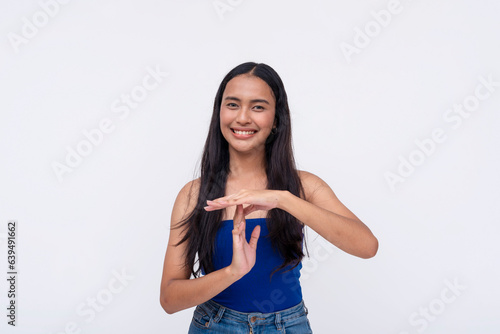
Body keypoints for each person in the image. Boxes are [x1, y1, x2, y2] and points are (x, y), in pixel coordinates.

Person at [159, 62, 379, 333]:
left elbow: (367, 246)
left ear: (276, 119)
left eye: (258, 107)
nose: (242, 118)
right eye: (232, 104)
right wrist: (232, 272)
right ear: (219, 113)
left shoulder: (304, 187)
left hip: (287, 326)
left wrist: (283, 200)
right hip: (214, 325)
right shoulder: (194, 194)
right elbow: (169, 299)